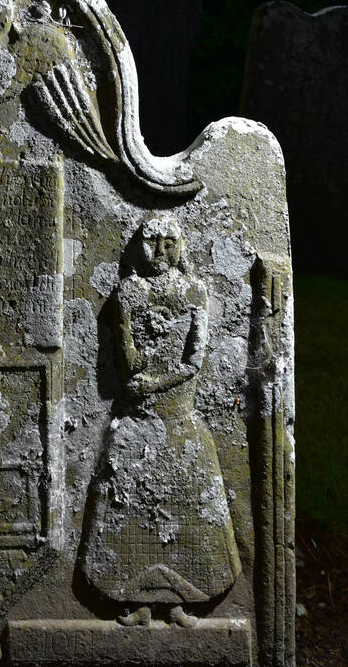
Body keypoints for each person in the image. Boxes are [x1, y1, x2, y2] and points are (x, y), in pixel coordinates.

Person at [81, 215, 241, 627]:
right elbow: (127, 359)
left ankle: (179, 601)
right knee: (130, 508)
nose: (161, 252)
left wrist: (153, 382)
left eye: (170, 243)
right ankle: (135, 601)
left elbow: (194, 360)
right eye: (153, 243)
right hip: (137, 418)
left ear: (182, 247)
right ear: (139, 247)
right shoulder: (128, 293)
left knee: (184, 506)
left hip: (178, 413)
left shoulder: (194, 290)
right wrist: (128, 321)